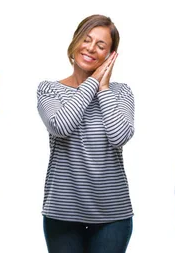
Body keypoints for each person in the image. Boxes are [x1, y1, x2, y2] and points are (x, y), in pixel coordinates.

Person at [37, 14, 134, 253]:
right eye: (86, 40)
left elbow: (120, 136)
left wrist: (103, 87)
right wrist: (93, 82)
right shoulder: (49, 89)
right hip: (62, 212)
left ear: (111, 56)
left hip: (113, 213)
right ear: (75, 42)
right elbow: (61, 126)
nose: (91, 48)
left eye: (101, 45)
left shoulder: (121, 93)